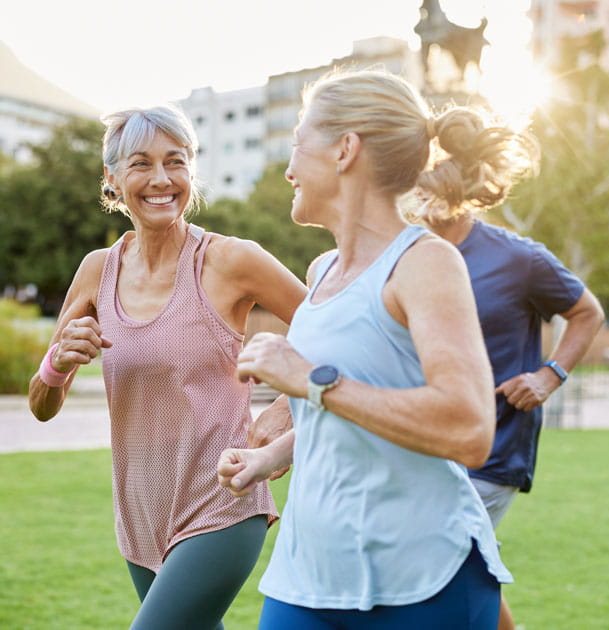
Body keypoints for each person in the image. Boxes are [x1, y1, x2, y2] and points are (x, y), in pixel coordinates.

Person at [216, 69, 537, 629]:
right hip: (307, 572)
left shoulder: (426, 264)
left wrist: (314, 379)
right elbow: (369, 396)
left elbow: (467, 427)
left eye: (297, 144)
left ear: (345, 149)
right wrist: (275, 455)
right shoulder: (319, 273)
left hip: (422, 581)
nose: (289, 168)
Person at [28, 104, 308, 629]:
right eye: (141, 164)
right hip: (139, 513)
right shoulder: (96, 271)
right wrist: (56, 366)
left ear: (191, 171)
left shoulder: (231, 260)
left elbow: (338, 330)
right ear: (112, 178)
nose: (161, 179)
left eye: (175, 162)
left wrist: (285, 413)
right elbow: (41, 406)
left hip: (223, 502)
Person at [415, 178, 604, 630]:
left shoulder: (518, 257)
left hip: (493, 444)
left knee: (435, 552)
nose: (420, 189)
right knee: (457, 561)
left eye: (433, 176)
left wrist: (549, 374)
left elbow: (587, 312)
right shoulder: (404, 251)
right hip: (420, 444)